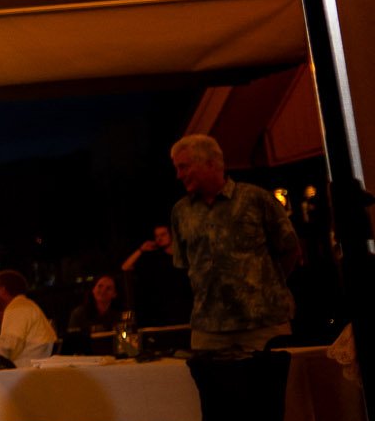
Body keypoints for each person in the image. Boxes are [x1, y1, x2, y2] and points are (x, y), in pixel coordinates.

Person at [167, 133, 303, 352]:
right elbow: (185, 266)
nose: (178, 175)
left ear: (210, 163)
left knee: (272, 385)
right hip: (208, 330)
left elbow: (290, 249)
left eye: (184, 167)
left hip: (263, 326)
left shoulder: (255, 199)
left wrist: (261, 286)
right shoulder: (180, 212)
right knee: (210, 386)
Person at [121, 224, 191, 328]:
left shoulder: (184, 256)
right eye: (157, 236)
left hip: (185, 309)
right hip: (161, 313)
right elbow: (125, 267)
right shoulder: (154, 258)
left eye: (163, 234)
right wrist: (141, 249)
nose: (159, 238)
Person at [0, 270, 58, 363]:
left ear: (2, 291)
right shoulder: (27, 305)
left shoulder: (17, 308)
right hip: (33, 370)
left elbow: (6, 348)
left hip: (25, 373)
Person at [65, 271, 127, 353]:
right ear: (93, 290)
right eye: (100, 286)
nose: (103, 290)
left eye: (108, 288)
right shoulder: (79, 313)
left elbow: (125, 344)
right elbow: (72, 343)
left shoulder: (120, 315)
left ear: (114, 294)